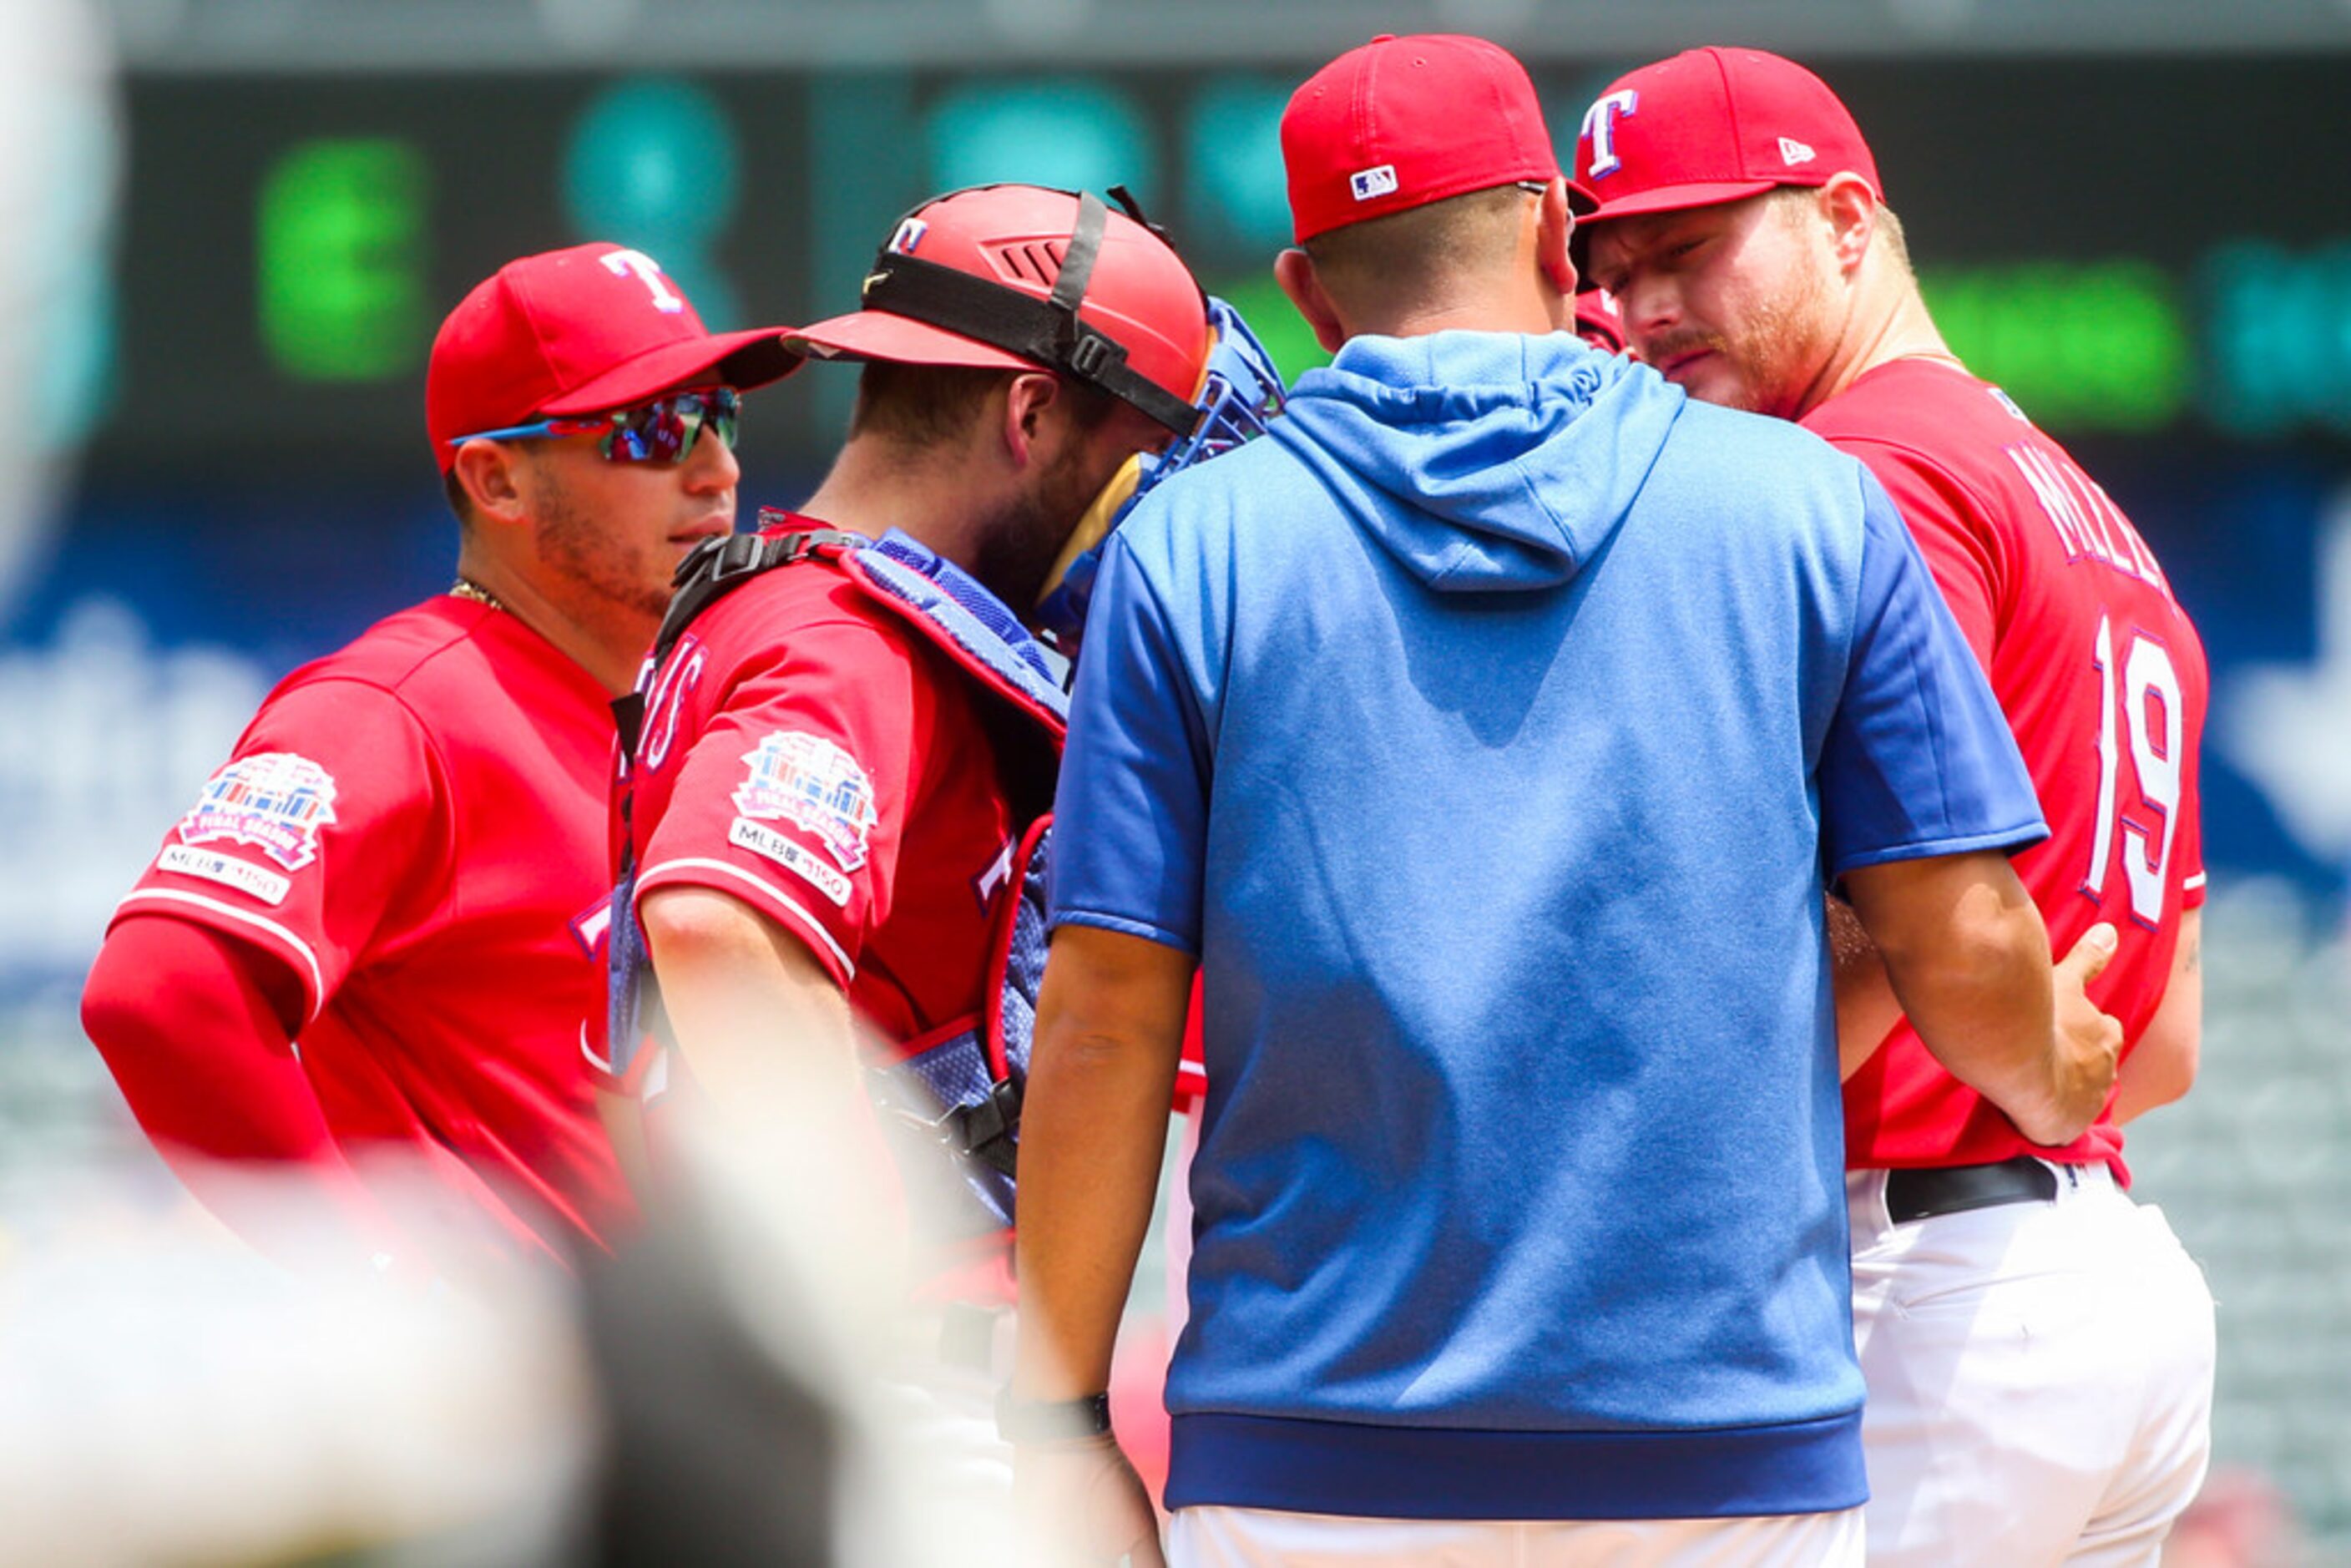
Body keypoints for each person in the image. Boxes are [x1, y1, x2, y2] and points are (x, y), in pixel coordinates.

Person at [1009, 32, 2123, 1568]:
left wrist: (1058, 1405)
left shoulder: (1192, 548)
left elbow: (1107, 1017)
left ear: (1307, 289)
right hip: (1725, 1451)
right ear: (1552, 232)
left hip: (1314, 1452)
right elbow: (1957, 928)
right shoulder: (1807, 507)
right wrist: (2061, 1074)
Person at [1576, 46, 2217, 1566]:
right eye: (1612, 265)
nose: (1647, 304)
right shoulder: (2071, 493)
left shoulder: (1859, 473)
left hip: (1922, 1291)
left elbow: (1871, 906)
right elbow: (2167, 1042)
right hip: (2087, 1278)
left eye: (1689, 246)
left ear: (1848, 222)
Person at [599, 184, 1272, 1518]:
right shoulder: (851, 643)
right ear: (1030, 414)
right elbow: (716, 926)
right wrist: (858, 1313)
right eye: (1141, 457)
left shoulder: (789, 594)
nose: (1156, 511)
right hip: (905, 1391)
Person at [81, 243, 796, 1273]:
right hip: (512, 1404)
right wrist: (373, 1289)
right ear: (497, 479)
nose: (714, 467)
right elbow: (161, 991)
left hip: (680, 1397)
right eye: (651, 429)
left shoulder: (679, 717)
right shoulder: (399, 707)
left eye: (718, 416)